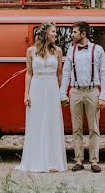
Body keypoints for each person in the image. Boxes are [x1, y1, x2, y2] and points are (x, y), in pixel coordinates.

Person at [16, 22, 67, 172]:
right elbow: (29, 73)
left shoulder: (58, 51)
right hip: (37, 87)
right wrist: (26, 94)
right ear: (45, 33)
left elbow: (59, 74)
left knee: (52, 121)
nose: (55, 35)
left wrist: (60, 92)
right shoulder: (31, 51)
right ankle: (36, 161)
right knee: (36, 121)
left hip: (51, 87)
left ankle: (52, 161)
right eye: (53, 32)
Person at [60, 21, 105, 172]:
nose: (72, 35)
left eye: (75, 32)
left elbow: (104, 73)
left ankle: (94, 161)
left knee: (94, 128)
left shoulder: (98, 49)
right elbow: (66, 73)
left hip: (92, 91)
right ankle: (79, 160)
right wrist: (62, 93)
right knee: (76, 128)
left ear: (83, 34)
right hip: (75, 91)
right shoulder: (70, 51)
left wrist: (103, 96)